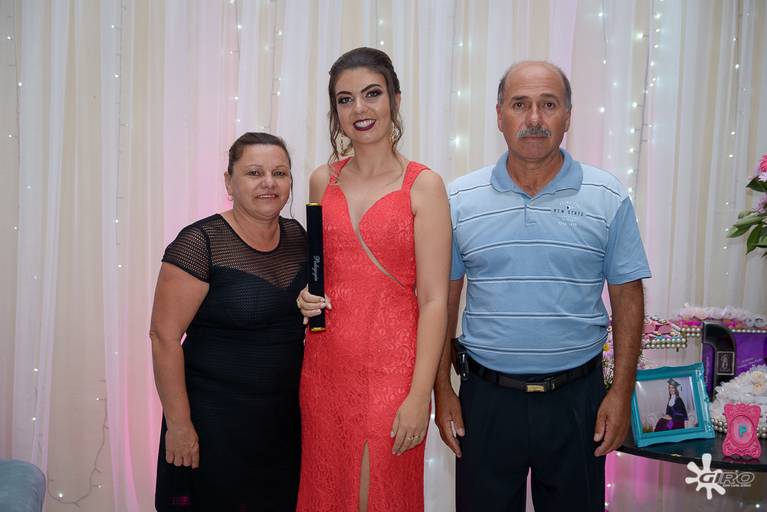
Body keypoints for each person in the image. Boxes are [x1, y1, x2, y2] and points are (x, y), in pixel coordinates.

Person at [434, 61, 651, 512]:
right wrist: (442, 390)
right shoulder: (458, 199)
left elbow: (627, 297)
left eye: (548, 105)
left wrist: (621, 391)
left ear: (567, 116)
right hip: (485, 403)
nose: (534, 118)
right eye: (520, 105)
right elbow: (443, 304)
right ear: (499, 116)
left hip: (577, 402)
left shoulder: (607, 196)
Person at [296, 47, 451, 512]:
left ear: (395, 100)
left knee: (379, 495)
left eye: (372, 94)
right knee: (327, 492)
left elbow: (435, 300)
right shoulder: (321, 180)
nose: (359, 109)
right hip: (325, 366)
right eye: (345, 99)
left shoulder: (424, 185)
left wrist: (420, 394)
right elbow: (322, 271)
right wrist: (306, 296)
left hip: (394, 371)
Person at [150, 132, 306, 511]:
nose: (269, 183)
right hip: (212, 426)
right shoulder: (200, 243)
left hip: (281, 425)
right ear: (229, 182)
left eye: (279, 173)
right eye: (254, 172)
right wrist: (179, 425)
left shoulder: (299, 238)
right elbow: (163, 337)